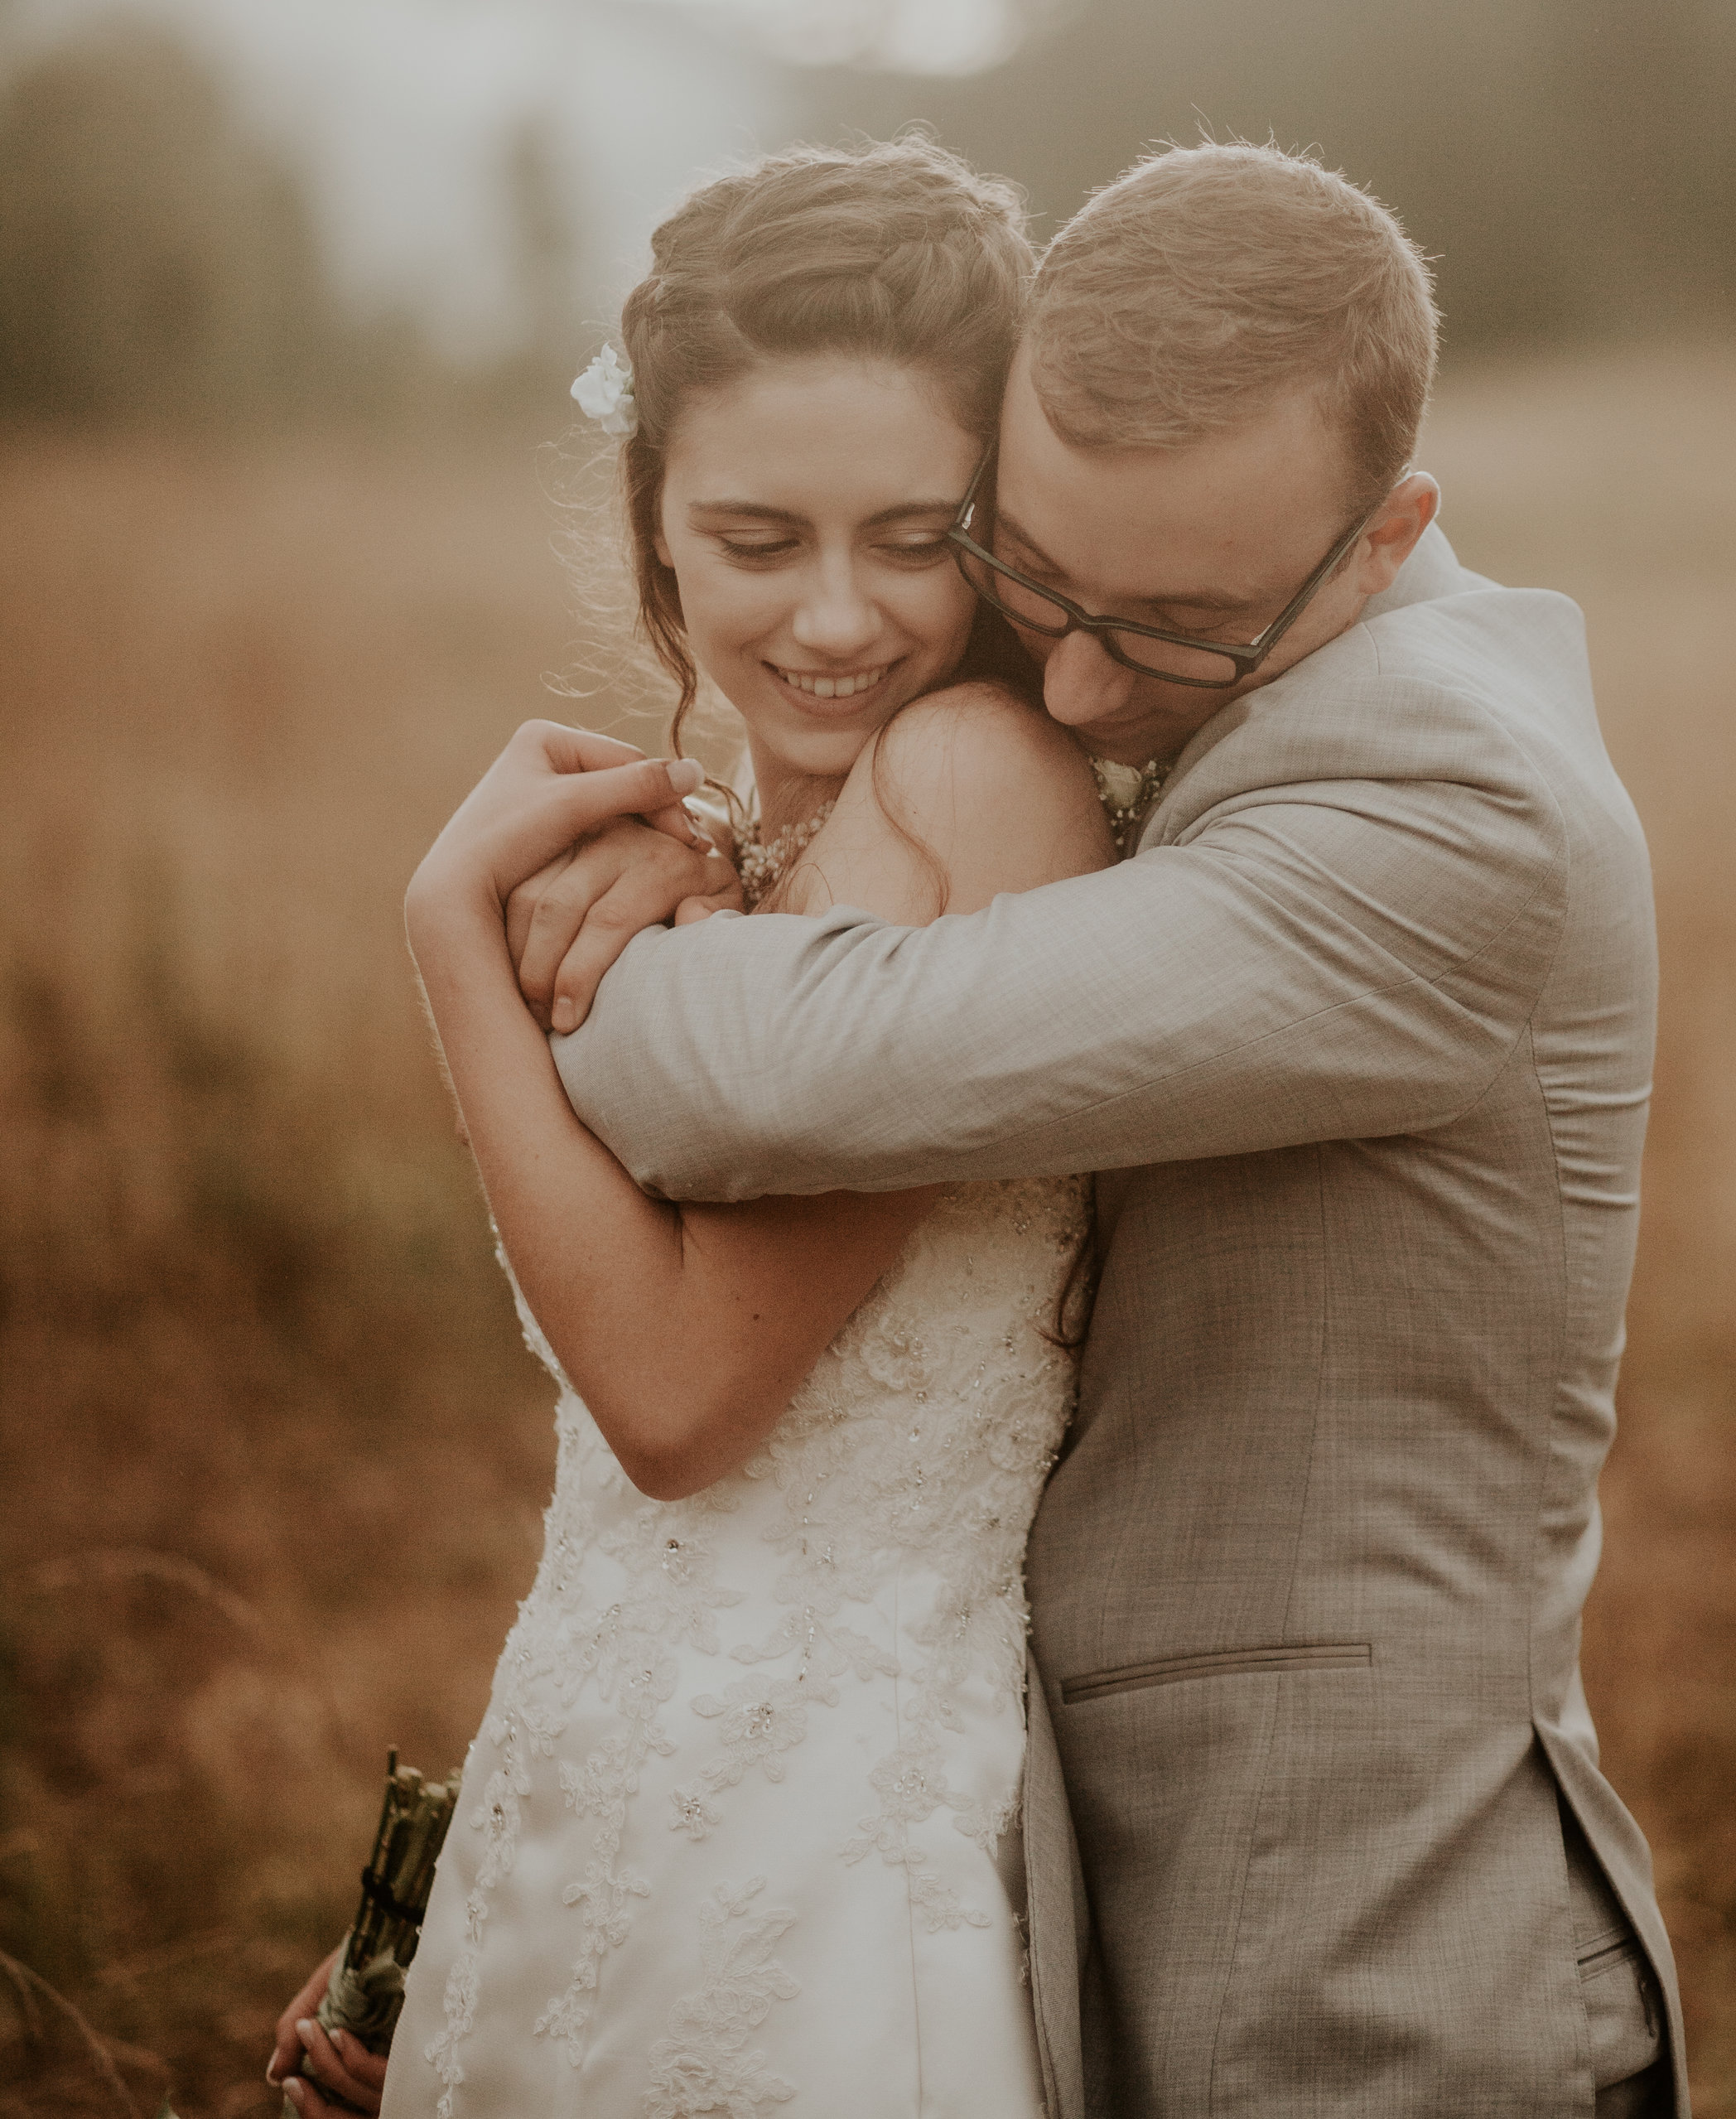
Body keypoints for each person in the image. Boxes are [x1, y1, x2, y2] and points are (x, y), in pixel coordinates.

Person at [514, 139, 1690, 2118]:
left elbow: (781, 1079)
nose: (1067, 674)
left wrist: (508, 922)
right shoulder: (1145, 721)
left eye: (1171, 623)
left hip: (1358, 1962)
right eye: (1029, 572)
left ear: (1384, 531)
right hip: (1017, 1878)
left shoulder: (1447, 810)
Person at [265, 139, 1116, 2119]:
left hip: (829, 1842)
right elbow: (647, 1519)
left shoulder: (974, 782)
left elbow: (678, 1401)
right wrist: (455, 1897)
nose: (837, 616)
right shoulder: (741, 842)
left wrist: (447, 946)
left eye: (915, 536)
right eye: (755, 538)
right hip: (618, 1767)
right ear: (650, 533)